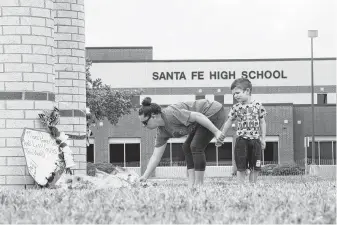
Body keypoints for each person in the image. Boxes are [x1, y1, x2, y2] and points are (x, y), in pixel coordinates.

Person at [138, 97, 226, 188]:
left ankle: (199, 185)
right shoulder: (162, 132)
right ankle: (192, 184)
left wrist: (216, 132)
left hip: (213, 111)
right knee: (186, 147)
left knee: (195, 146)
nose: (143, 126)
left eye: (144, 122)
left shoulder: (171, 114)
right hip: (202, 119)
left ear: (153, 116)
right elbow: (155, 156)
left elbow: (197, 116)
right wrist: (145, 177)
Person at [217, 78, 267, 183]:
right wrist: (222, 135)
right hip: (241, 140)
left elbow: (262, 122)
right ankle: (241, 187)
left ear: (247, 91)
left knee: (255, 166)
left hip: (255, 140)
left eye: (238, 93)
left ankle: (253, 186)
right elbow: (229, 121)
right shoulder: (236, 107)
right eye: (234, 94)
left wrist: (263, 139)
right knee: (241, 165)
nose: (235, 96)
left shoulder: (258, 105)